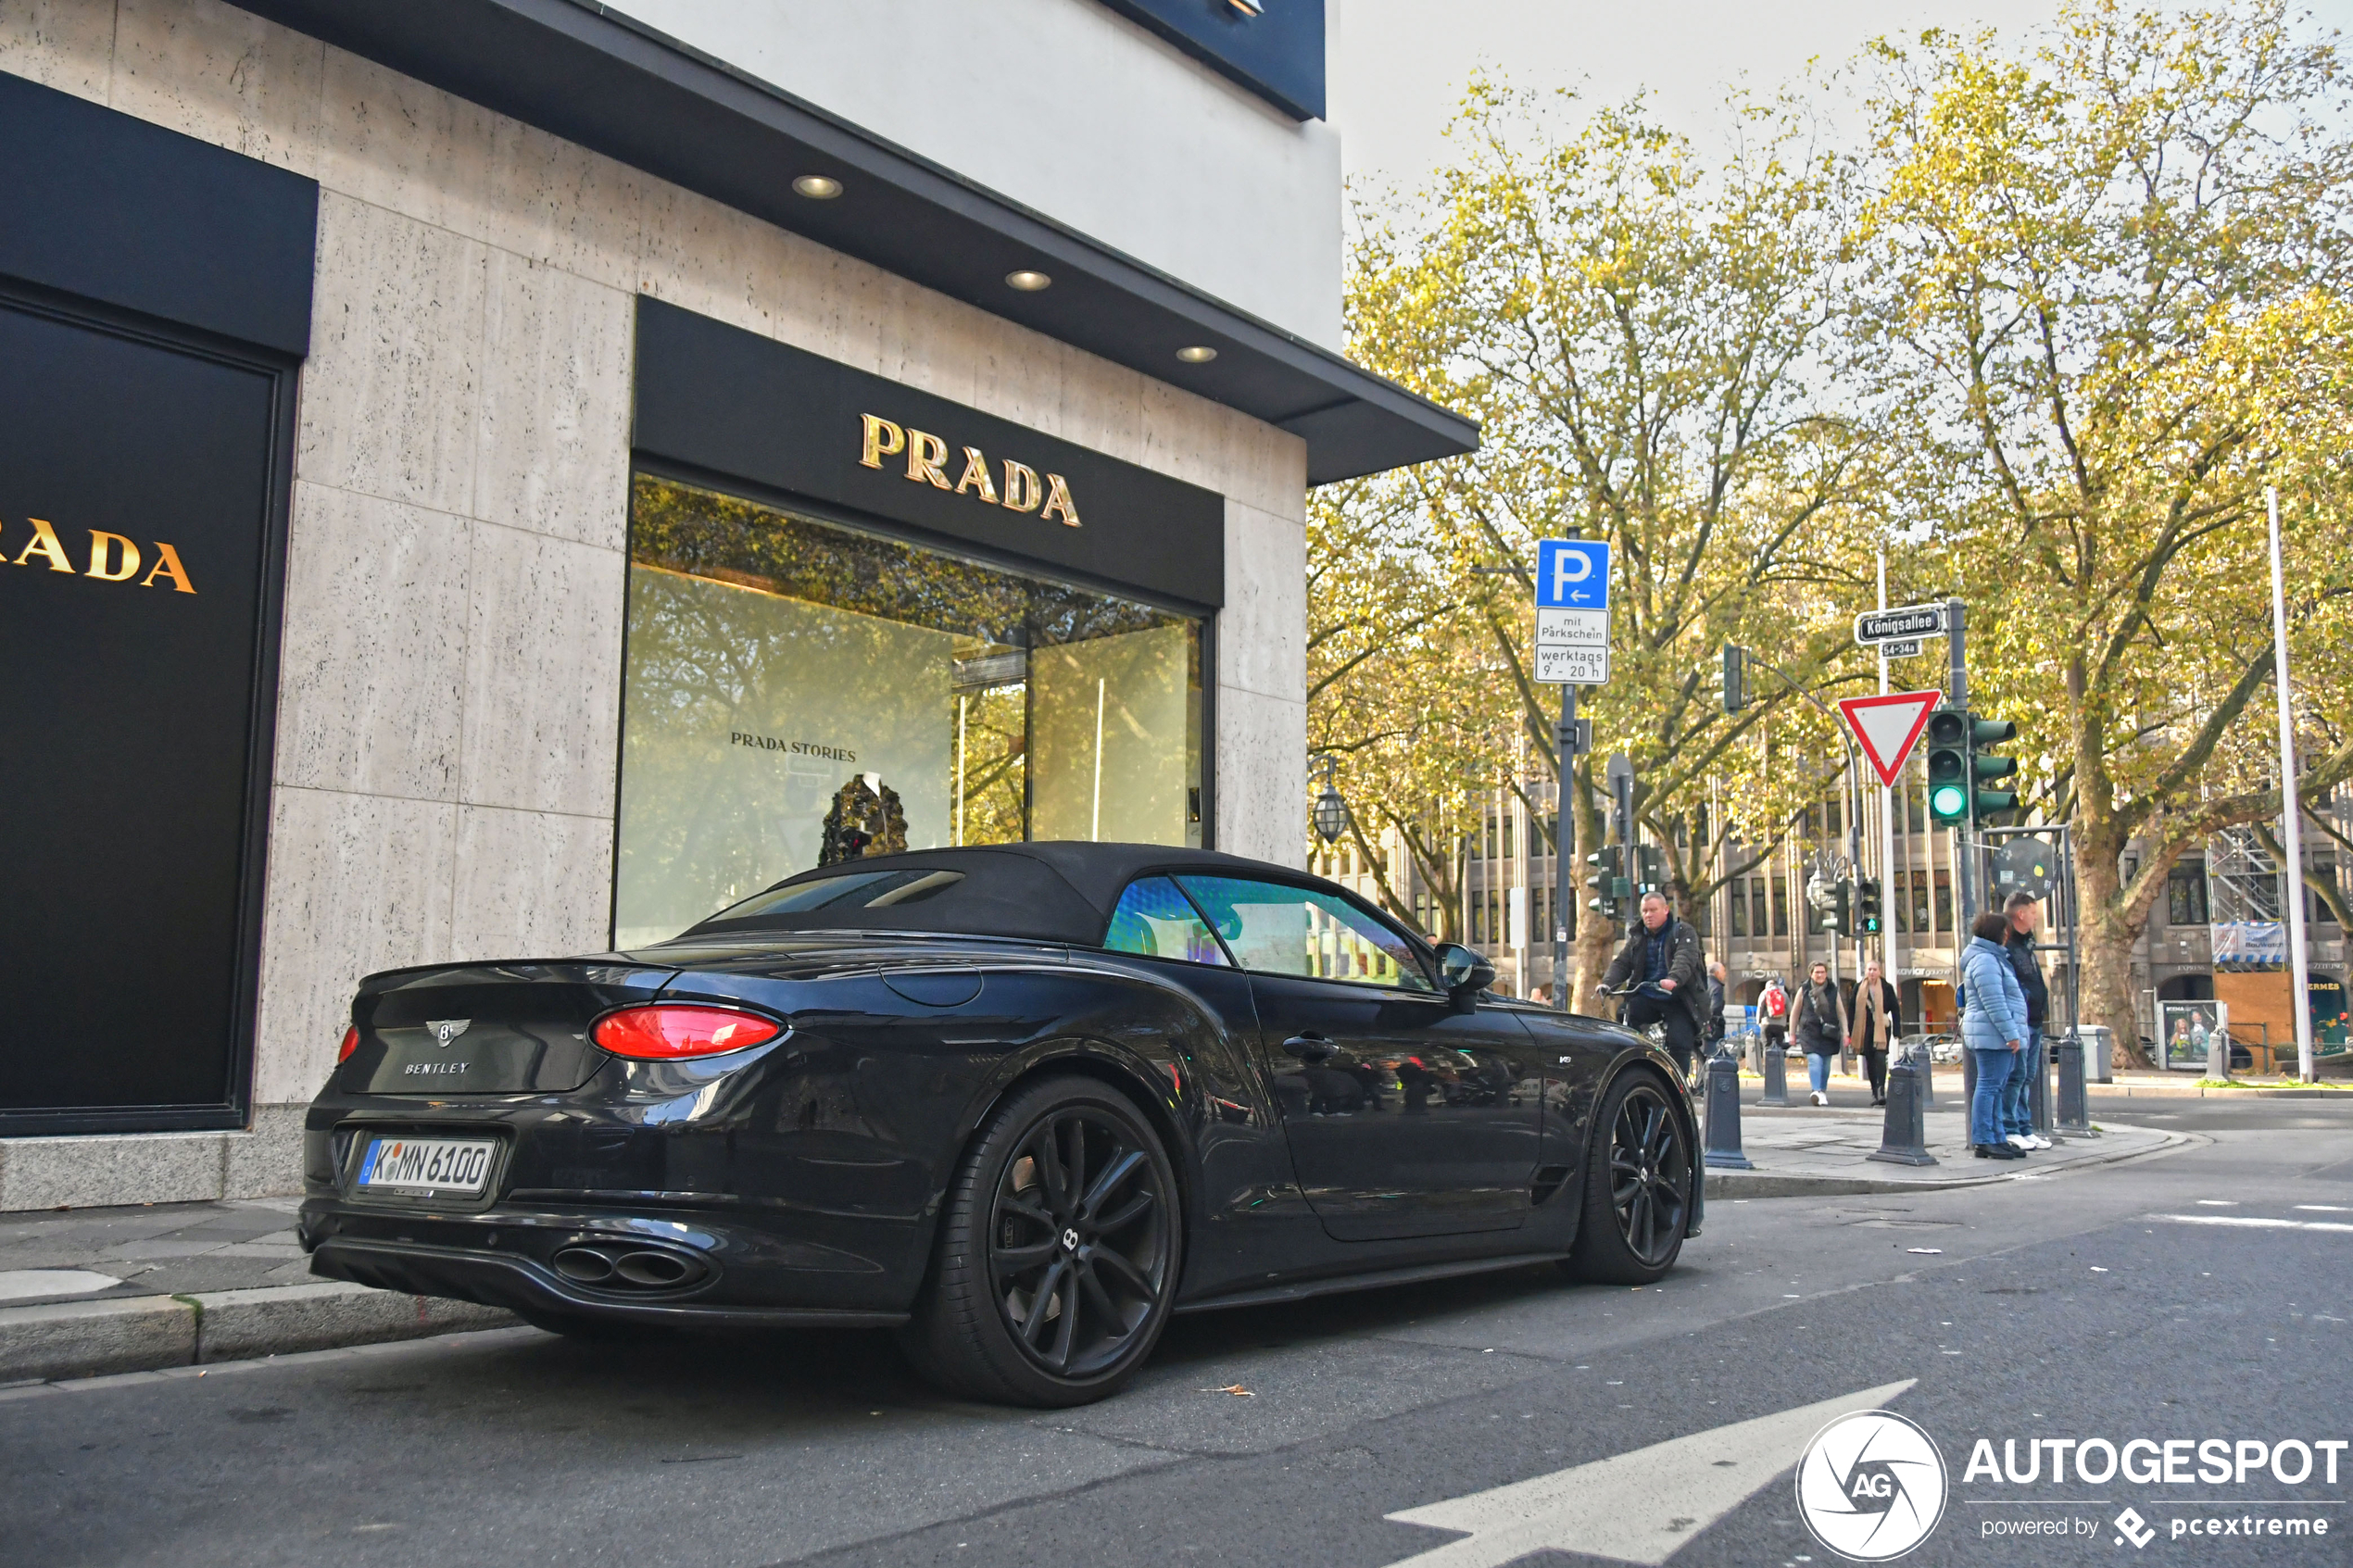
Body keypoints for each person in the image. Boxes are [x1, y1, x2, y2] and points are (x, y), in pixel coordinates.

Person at [1602, 890, 1708, 1077]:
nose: (1648, 915)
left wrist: (1674, 979)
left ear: (1666, 910)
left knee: (1679, 1041)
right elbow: (1622, 963)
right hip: (1648, 995)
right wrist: (1608, 984)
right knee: (1626, 1019)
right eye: (1644, 911)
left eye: (1653, 910)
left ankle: (1678, 1084)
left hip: (1677, 997)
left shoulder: (1682, 932)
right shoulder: (1637, 937)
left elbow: (1685, 958)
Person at [1962, 909, 2030, 1159]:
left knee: (1996, 1087)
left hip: (1994, 1034)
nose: (2006, 936)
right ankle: (1983, 1138)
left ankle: (1996, 1136)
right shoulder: (1986, 961)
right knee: (1990, 1085)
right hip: (1992, 1035)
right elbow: (1994, 1002)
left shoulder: (1991, 959)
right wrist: (2011, 1034)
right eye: (2004, 931)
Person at [2001, 892, 2052, 1150]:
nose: (2036, 917)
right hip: (2020, 1020)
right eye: (2033, 912)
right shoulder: (2008, 946)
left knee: (2027, 1075)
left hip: (2032, 1019)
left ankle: (2024, 1126)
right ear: (2020, 914)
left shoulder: (2026, 944)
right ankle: (2011, 1127)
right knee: (2016, 1075)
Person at [1793, 960, 1849, 1106]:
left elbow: (1841, 1012)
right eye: (1817, 972)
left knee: (1825, 1064)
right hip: (1809, 1031)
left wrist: (1846, 1032)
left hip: (1829, 1032)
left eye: (1822, 972)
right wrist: (1792, 1033)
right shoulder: (1804, 989)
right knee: (1815, 1060)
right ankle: (1816, 1090)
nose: (1820, 975)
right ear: (1811, 974)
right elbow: (1795, 1012)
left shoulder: (1832, 990)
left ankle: (1822, 1091)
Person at [1853, 959, 1902, 1105]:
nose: (1872, 972)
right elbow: (1851, 1009)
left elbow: (1895, 1009)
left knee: (1880, 1058)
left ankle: (1881, 1090)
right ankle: (1874, 1091)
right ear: (1866, 972)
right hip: (1865, 1028)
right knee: (1870, 1060)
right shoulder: (1858, 987)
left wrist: (1897, 1031)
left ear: (1880, 971)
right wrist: (1850, 1031)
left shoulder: (1886, 987)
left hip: (1882, 1028)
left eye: (1875, 969)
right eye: (1869, 970)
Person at [1759, 975, 1791, 1066]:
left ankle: (1768, 1067)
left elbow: (1760, 1008)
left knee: (1767, 1046)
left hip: (1767, 1024)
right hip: (1780, 1025)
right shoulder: (1783, 994)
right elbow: (1789, 1010)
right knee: (1779, 1046)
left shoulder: (1764, 993)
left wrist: (1759, 1021)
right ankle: (1779, 1066)